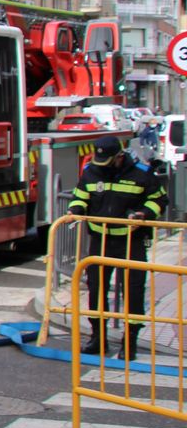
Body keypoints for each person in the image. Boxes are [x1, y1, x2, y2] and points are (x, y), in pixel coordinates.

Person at [68, 134, 167, 358]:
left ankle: (129, 342)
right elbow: (80, 197)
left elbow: (159, 199)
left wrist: (144, 213)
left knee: (132, 291)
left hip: (131, 242)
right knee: (96, 289)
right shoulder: (92, 171)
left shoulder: (141, 173)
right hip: (100, 241)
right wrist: (74, 211)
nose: (101, 166)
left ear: (119, 157)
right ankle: (97, 338)